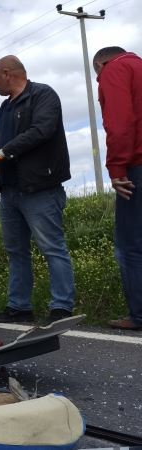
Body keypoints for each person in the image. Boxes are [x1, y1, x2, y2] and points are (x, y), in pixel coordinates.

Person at [0, 55, 75, 323]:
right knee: (15, 251)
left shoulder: (43, 95)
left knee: (52, 247)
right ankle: (20, 307)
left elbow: (41, 131)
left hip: (41, 189)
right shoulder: (4, 108)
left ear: (7, 73)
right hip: (10, 191)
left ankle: (61, 307)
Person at [93, 46, 142, 330]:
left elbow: (120, 123)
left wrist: (116, 169)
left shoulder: (114, 70)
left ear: (100, 64)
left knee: (131, 245)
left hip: (136, 166)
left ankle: (138, 315)